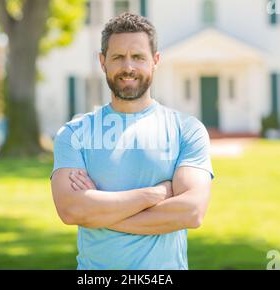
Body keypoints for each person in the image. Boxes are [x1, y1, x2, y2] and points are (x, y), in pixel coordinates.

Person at [50, 12, 214, 270]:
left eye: (138, 57)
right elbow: (71, 210)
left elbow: (191, 212)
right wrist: (156, 194)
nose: (128, 67)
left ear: (155, 61)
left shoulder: (187, 130)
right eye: (118, 57)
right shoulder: (74, 134)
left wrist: (98, 213)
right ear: (102, 62)